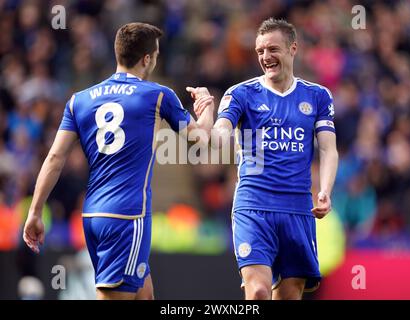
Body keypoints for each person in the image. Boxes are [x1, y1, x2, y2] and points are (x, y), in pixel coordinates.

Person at [23, 22, 215, 300]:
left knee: (144, 294)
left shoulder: (80, 100)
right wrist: (206, 107)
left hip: (92, 216)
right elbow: (201, 139)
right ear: (147, 59)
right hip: (127, 216)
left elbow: (54, 158)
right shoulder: (157, 95)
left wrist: (35, 212)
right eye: (156, 55)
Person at [210, 18, 338, 300]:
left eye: (272, 49)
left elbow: (328, 149)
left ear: (293, 49)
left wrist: (326, 190)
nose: (265, 57)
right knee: (257, 292)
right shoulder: (241, 94)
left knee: (290, 295)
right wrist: (212, 127)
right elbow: (221, 132)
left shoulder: (317, 96)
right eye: (260, 52)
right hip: (254, 205)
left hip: (297, 208)